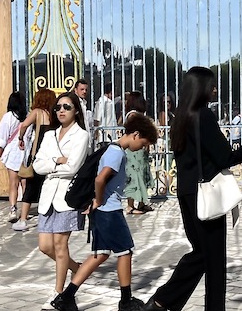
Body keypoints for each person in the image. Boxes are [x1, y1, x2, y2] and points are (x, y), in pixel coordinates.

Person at [142, 66, 242, 311]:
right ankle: (163, 300)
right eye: (212, 86)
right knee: (212, 259)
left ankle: (162, 302)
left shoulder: (180, 117)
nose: (214, 90)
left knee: (202, 254)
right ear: (202, 88)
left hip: (187, 191)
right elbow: (225, 157)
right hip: (205, 192)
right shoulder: (203, 115)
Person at [50, 113, 160, 311]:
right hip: (109, 211)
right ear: (135, 134)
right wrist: (99, 200)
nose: (143, 148)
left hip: (102, 211)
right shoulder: (116, 153)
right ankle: (125, 301)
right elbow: (100, 179)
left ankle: (65, 297)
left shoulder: (113, 149)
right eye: (144, 144)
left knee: (100, 254)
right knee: (125, 252)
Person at [32, 91, 91, 309]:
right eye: (57, 107)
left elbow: (73, 167)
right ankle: (77, 268)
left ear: (76, 110)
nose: (61, 111)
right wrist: (57, 161)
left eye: (66, 107)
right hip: (48, 196)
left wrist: (51, 165)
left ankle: (59, 294)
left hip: (67, 197)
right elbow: (37, 165)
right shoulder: (49, 135)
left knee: (60, 245)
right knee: (45, 246)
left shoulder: (81, 135)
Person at [14, 88, 57, 231]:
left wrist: (20, 138)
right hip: (51, 153)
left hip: (38, 152)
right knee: (48, 184)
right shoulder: (53, 115)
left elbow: (24, 125)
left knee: (30, 186)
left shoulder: (37, 112)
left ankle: (23, 219)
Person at [0, 91, 27, 223]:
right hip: (25, 153)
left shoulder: (8, 117)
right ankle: (25, 210)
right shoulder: (27, 116)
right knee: (25, 183)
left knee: (13, 183)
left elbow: (3, 137)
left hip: (13, 153)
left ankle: (13, 209)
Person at [123, 91, 153, 214]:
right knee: (133, 177)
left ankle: (141, 203)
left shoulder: (138, 115)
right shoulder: (133, 115)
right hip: (134, 152)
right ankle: (130, 206)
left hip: (140, 151)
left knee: (142, 176)